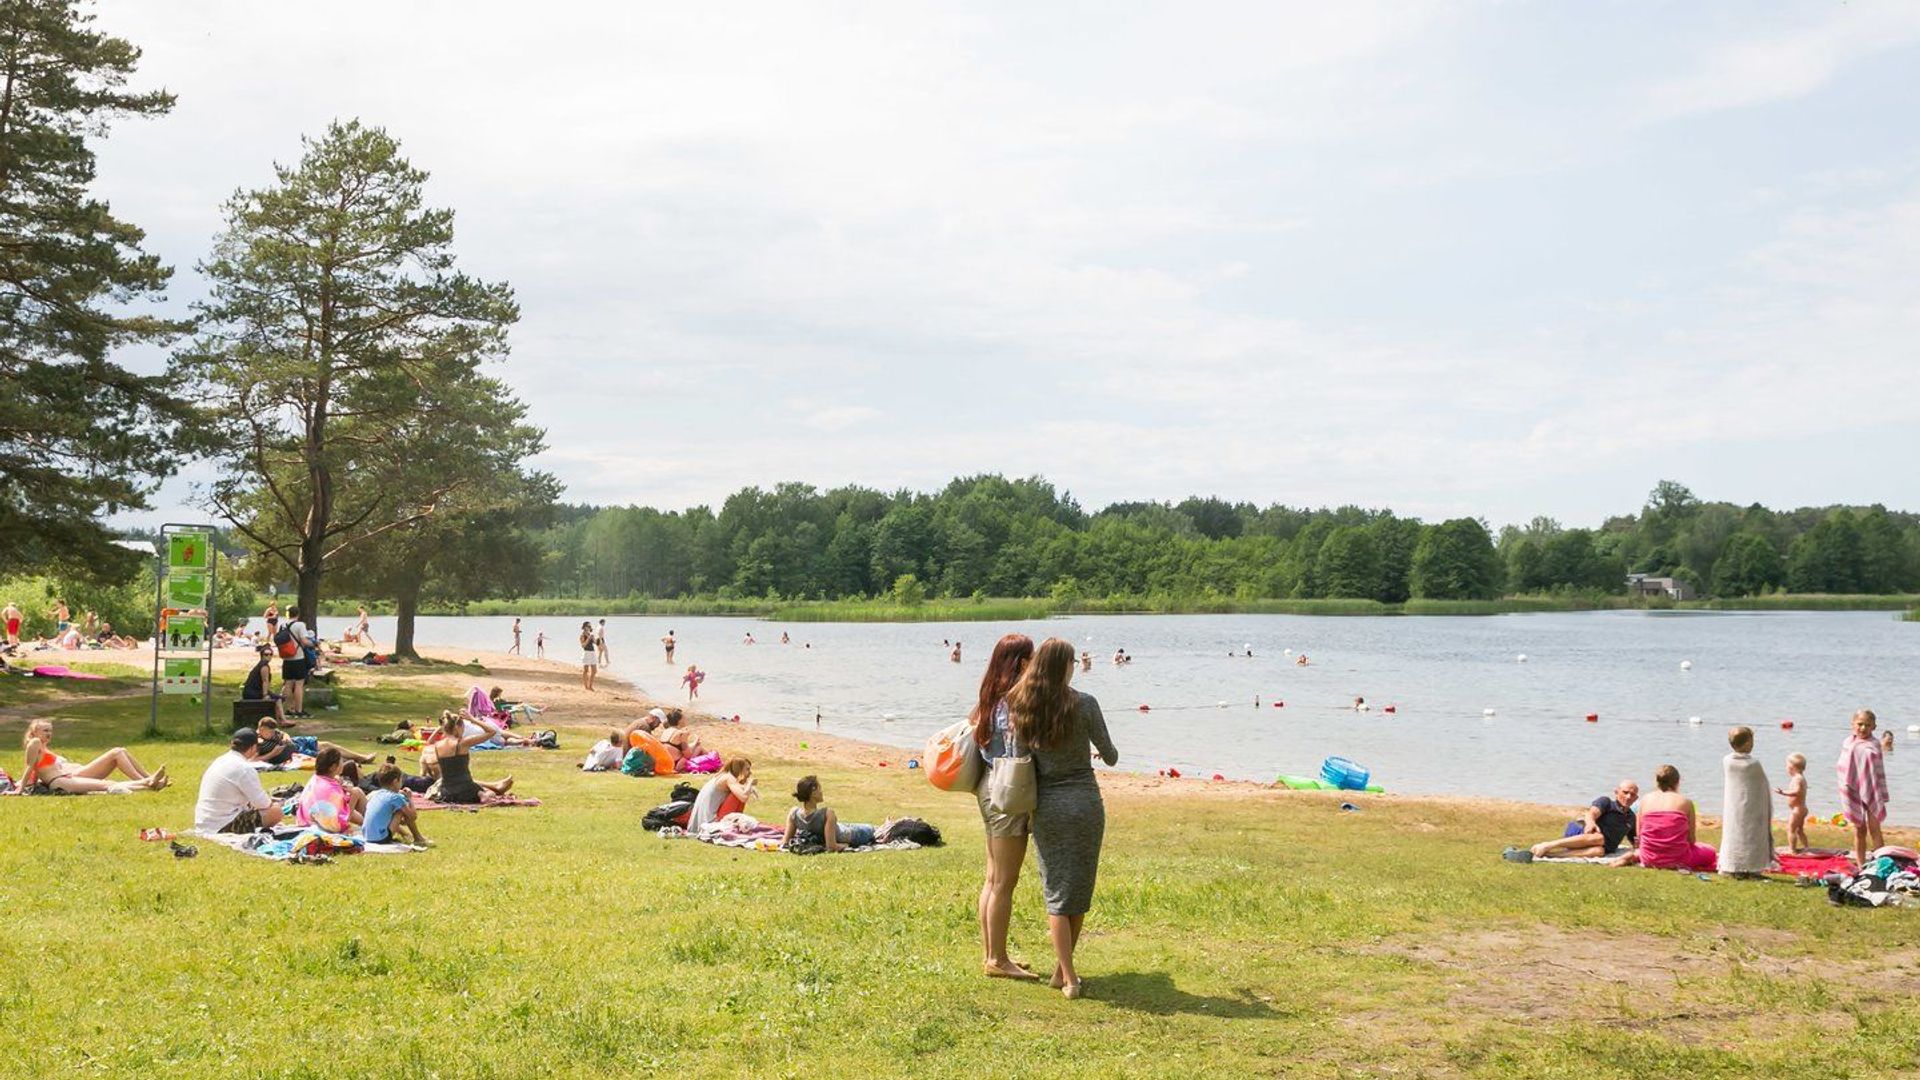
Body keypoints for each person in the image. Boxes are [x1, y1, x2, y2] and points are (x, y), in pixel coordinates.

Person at [1007, 637, 1119, 1000]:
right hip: (1085, 802)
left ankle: (1063, 974)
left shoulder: (1021, 705)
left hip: (1048, 805)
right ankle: (1069, 976)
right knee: (1078, 890)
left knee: (1057, 891)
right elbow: (1112, 755)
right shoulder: (1085, 703)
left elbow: (1019, 760)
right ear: (1066, 665)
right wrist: (1089, 750)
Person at [972, 633, 1038, 980]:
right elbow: (1016, 749)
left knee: (992, 878)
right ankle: (997, 959)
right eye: (1032, 657)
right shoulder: (1015, 700)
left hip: (987, 784)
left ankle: (992, 953)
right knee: (1004, 882)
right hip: (1006, 789)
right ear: (1022, 662)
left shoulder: (990, 694)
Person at [1609, 765, 1716, 871]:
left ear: (1656, 782)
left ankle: (1636, 856)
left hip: (1648, 858)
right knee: (1710, 851)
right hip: (1678, 859)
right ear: (1677, 782)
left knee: (1644, 851)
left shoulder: (1645, 800)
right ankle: (1645, 856)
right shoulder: (1686, 802)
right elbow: (1691, 840)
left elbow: (1639, 836)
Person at [20, 719, 168, 794]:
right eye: (45, 731)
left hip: (66, 777)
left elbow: (38, 769)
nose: (49, 734)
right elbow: (30, 767)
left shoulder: (43, 747)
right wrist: (20, 788)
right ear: (35, 732)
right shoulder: (35, 743)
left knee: (110, 782)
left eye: (50, 731)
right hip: (59, 782)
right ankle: (148, 782)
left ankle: (150, 782)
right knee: (109, 784)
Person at [194, 728, 284, 833]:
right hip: (221, 825)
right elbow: (264, 804)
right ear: (253, 747)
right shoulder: (244, 768)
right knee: (276, 811)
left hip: (204, 822)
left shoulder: (220, 760)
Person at [1527, 781, 1639, 860]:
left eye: (1632, 794)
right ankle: (1548, 845)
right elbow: (1591, 813)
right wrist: (1591, 823)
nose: (1628, 796)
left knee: (1599, 851)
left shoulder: (1631, 817)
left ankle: (1551, 855)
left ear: (1636, 798)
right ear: (1616, 792)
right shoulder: (1606, 802)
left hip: (1601, 846)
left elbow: (1635, 840)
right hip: (1582, 833)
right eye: (1625, 792)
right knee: (1599, 838)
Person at [1718, 726, 1774, 877]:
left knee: (1735, 832)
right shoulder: (1753, 764)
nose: (1753, 744)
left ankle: (1732, 865)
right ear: (1746, 743)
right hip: (1751, 807)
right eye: (1751, 741)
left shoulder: (1727, 760)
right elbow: (1761, 785)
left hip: (1733, 807)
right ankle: (1752, 866)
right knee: (1751, 834)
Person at [427, 710, 515, 804]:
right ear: (458, 727)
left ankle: (492, 788)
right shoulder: (463, 743)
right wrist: (472, 719)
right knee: (490, 792)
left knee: (470, 784)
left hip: (446, 792)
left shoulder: (437, 745)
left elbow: (429, 741)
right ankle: (484, 794)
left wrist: (440, 728)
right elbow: (492, 731)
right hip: (467, 790)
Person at [1837, 708, 1888, 869]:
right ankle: (1860, 864)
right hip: (1853, 789)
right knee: (1859, 829)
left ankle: (1881, 864)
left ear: (1874, 727)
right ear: (1853, 724)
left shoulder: (1874, 744)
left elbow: (1876, 770)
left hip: (1872, 789)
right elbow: (1842, 767)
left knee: (1875, 828)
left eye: (1867, 725)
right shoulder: (1847, 743)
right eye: (1860, 724)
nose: (1863, 728)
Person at [781, 775, 875, 851]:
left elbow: (785, 842)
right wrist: (845, 846)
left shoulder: (794, 813)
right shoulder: (827, 813)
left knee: (849, 825)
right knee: (872, 829)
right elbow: (831, 846)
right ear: (813, 793)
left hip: (840, 827)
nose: (821, 792)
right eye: (819, 789)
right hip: (852, 835)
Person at [294, 746, 364, 834]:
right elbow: (337, 821)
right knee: (356, 792)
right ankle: (372, 825)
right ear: (333, 767)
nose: (343, 763)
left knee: (352, 799)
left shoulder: (316, 779)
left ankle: (366, 822)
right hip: (327, 827)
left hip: (307, 821)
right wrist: (353, 795)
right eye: (341, 761)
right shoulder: (330, 788)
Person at [361, 765, 426, 845]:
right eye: (401, 781)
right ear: (396, 781)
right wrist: (409, 798)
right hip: (381, 838)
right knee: (401, 810)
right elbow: (413, 816)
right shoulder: (395, 797)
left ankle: (411, 836)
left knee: (392, 810)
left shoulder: (375, 794)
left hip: (366, 836)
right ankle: (418, 837)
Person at [686, 758, 756, 832]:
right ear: (740, 769)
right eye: (747, 769)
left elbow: (740, 788)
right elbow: (743, 797)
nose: (750, 773)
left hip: (701, 822)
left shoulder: (722, 776)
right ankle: (735, 824)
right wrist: (749, 784)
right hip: (711, 822)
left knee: (738, 793)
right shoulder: (728, 778)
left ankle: (736, 822)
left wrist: (747, 788)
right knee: (736, 796)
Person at [280, 605, 313, 719]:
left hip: (286, 658)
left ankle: (289, 708)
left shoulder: (283, 625)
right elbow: (304, 641)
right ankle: (298, 710)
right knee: (299, 684)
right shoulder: (300, 625)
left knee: (288, 683)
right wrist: (313, 643)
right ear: (298, 614)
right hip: (298, 657)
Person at [241, 644, 286, 723]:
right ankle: (282, 720)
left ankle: (277, 718)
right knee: (278, 699)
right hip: (252, 692)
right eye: (266, 654)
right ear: (262, 655)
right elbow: (265, 681)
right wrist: (265, 695)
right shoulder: (264, 666)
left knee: (279, 698)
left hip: (253, 691)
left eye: (270, 654)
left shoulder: (261, 664)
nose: (269, 656)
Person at [1776, 752, 1809, 853]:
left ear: (1792, 767)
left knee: (1791, 829)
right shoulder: (1799, 777)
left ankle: (1792, 849)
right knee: (1799, 830)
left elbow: (1797, 792)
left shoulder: (1798, 778)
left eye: (1787, 766)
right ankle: (1806, 847)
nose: (1786, 768)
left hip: (1797, 810)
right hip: (1801, 808)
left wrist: (1783, 793)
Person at [578, 621, 597, 692]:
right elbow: (583, 645)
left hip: (592, 653)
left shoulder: (591, 635)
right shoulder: (582, 635)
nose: (589, 627)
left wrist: (597, 639)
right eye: (588, 626)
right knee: (586, 670)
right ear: (585, 627)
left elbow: (596, 643)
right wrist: (588, 638)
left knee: (594, 671)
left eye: (590, 626)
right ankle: (586, 686)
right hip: (586, 653)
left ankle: (590, 686)